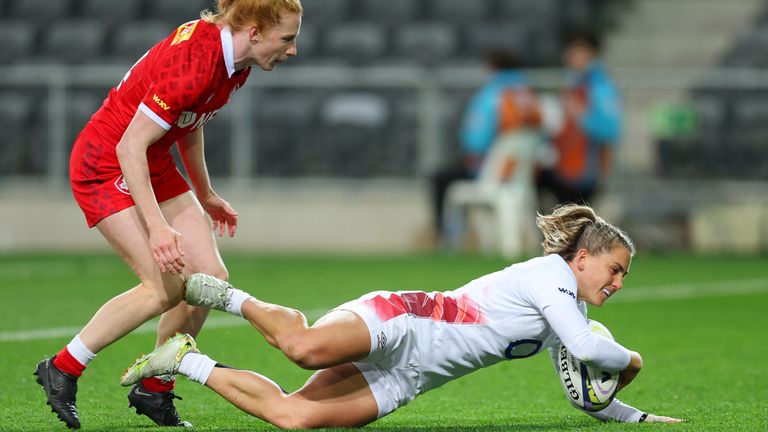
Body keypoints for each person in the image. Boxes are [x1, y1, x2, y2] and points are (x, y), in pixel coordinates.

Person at [120, 204, 683, 428]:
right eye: (614, 268)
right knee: (303, 348)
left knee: (295, 419)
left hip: (411, 376)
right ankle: (226, 295)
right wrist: (632, 359)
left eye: (625, 275)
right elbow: (590, 353)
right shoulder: (550, 277)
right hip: (408, 320)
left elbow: (583, 385)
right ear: (582, 258)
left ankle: (184, 360)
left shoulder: (569, 307)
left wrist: (635, 419)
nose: (618, 281)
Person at [33, 0, 303, 428]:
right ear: (254, 32)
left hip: (150, 160)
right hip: (106, 163)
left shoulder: (238, 64)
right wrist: (158, 229)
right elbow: (128, 147)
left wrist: (205, 192)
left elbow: (190, 121)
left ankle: (154, 387)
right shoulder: (196, 61)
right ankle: (63, 368)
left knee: (210, 278)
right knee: (164, 288)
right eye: (287, 38)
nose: (291, 50)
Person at [430, 50, 541, 246]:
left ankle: (447, 236)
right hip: (521, 176)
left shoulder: (492, 96)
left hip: (490, 172)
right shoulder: (529, 96)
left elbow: (476, 140)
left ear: (493, 68)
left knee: (441, 178)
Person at [537, 29, 622, 209]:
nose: (568, 56)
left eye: (574, 51)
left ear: (590, 53)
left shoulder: (600, 87)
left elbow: (610, 129)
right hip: (565, 165)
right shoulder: (574, 83)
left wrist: (580, 113)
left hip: (583, 173)